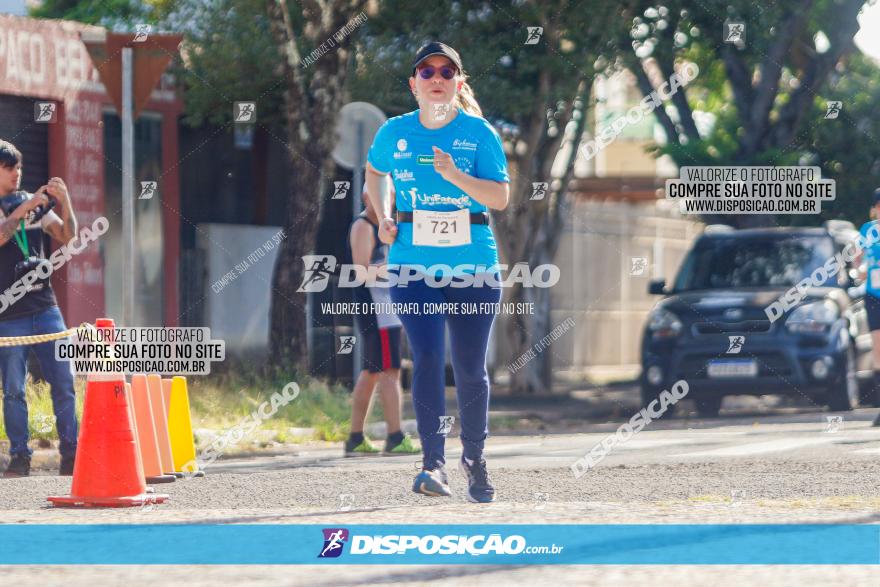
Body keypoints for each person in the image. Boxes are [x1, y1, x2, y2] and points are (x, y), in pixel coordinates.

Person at [364, 42, 510, 503]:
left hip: (473, 268)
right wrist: (383, 216)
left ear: (459, 82)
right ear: (414, 84)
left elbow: (501, 198)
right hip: (411, 266)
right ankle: (433, 463)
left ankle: (474, 456)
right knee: (425, 357)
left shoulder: (479, 133)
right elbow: (373, 173)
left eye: (447, 71)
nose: (436, 77)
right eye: (426, 71)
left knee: (468, 368)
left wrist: (456, 178)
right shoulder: (394, 132)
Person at [0, 140, 79, 477]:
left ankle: (72, 454)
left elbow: (68, 236)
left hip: (46, 308)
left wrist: (66, 202)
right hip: (9, 314)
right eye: (9, 167)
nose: (17, 173)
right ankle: (20, 456)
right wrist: (23, 208)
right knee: (14, 390)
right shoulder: (23, 204)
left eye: (19, 167)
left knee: (64, 382)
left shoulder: (33, 203)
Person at [344, 189, 419, 456]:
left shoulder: (388, 226)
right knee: (387, 372)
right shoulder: (363, 227)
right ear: (367, 199)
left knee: (375, 371)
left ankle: (356, 438)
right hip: (376, 310)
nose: (389, 203)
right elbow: (361, 272)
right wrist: (397, 266)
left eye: (391, 198)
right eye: (383, 197)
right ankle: (395, 436)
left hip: (389, 310)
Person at [856, 188, 880, 427]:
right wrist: (861, 269)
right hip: (873, 296)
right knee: (878, 351)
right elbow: (858, 260)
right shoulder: (867, 230)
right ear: (874, 208)